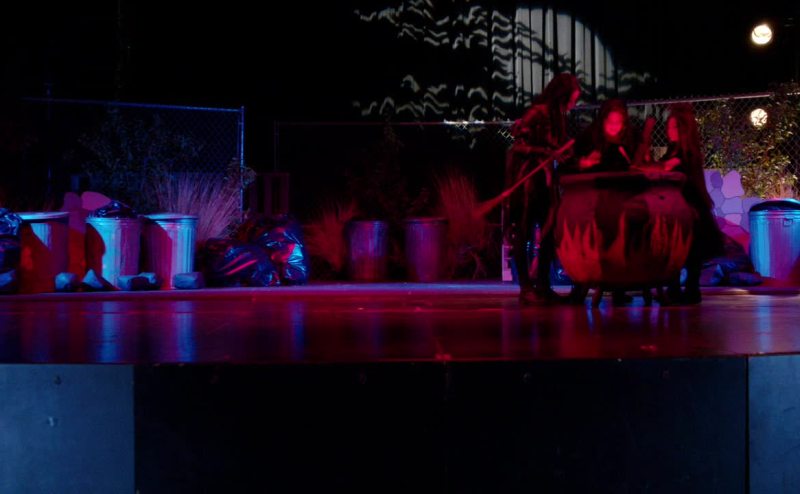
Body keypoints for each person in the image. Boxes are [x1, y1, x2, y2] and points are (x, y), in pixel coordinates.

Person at [505, 73, 580, 305]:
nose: (573, 104)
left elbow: (557, 143)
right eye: (572, 99)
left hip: (546, 181)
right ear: (562, 95)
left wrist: (564, 152)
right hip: (529, 181)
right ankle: (526, 288)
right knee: (525, 230)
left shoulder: (558, 116)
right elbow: (517, 143)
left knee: (548, 230)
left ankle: (543, 286)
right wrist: (544, 151)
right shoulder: (538, 112)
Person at [655, 103, 724, 304]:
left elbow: (667, 167)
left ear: (685, 130)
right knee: (679, 249)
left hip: (689, 206)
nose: (670, 131)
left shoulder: (686, 154)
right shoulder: (674, 150)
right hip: (679, 207)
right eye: (669, 127)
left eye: (675, 127)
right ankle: (678, 290)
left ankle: (688, 290)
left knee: (689, 249)